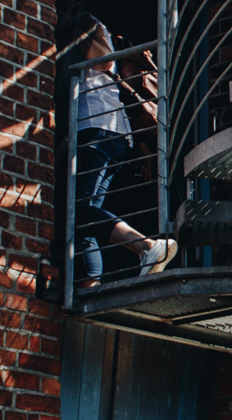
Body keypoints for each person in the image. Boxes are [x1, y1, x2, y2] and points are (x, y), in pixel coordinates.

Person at [73, 18, 177, 284]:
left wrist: (75, 32)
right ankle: (91, 283)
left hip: (97, 127)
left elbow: (104, 62)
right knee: (83, 218)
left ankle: (146, 246)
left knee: (79, 210)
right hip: (113, 132)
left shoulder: (88, 23)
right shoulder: (102, 30)